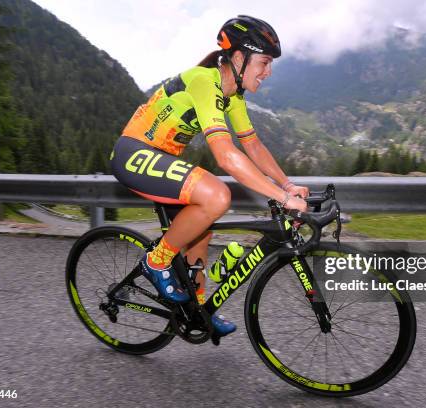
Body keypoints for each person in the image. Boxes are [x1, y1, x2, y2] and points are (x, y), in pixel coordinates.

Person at [111, 15, 308, 337]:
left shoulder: (233, 95)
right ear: (240, 58)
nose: (268, 72)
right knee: (216, 195)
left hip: (160, 158)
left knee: (201, 233)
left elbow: (252, 145)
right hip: (133, 154)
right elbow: (227, 156)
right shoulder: (205, 81)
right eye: (264, 62)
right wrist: (282, 198)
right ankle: (156, 261)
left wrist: (287, 185)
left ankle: (198, 311)